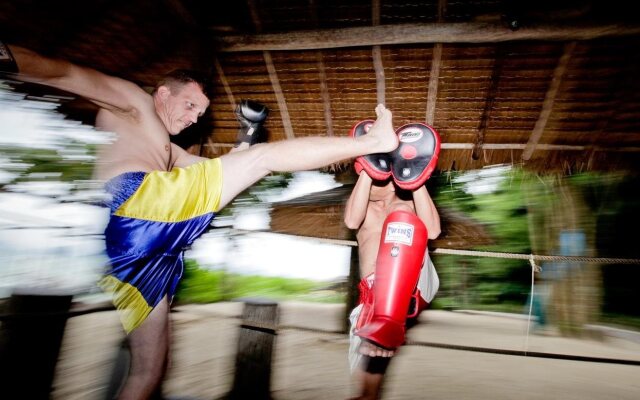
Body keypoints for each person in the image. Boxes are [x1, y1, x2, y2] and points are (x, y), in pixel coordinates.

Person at [1, 41, 399, 400]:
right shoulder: (132, 99)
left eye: (201, 112)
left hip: (141, 251)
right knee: (259, 160)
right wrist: (9, 55)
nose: (194, 118)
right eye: (190, 105)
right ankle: (373, 143)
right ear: (163, 93)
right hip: (142, 204)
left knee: (149, 371)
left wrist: (247, 138)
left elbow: (217, 171)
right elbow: (66, 73)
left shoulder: (165, 150)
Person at [344, 120, 441, 400]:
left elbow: (432, 230)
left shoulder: (407, 202)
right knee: (366, 388)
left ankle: (388, 318)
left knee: (403, 222)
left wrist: (413, 178)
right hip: (373, 298)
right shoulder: (364, 206)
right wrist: (367, 168)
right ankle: (384, 321)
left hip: (413, 280)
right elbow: (351, 220)